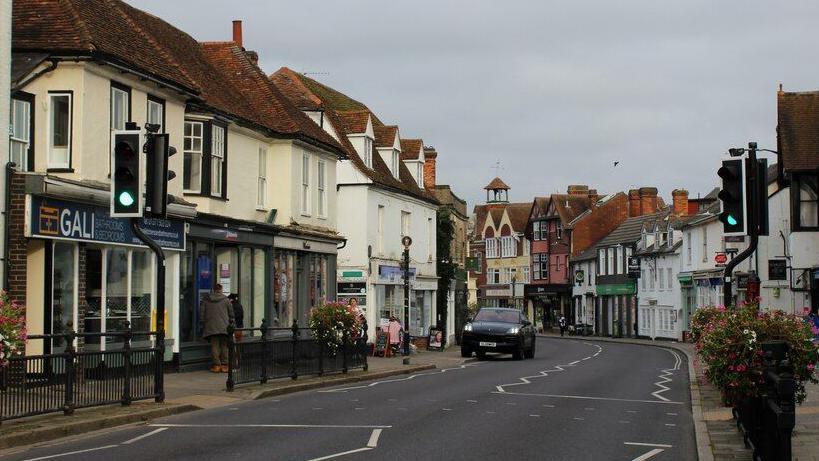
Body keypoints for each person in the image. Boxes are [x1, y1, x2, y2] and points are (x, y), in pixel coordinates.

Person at [200, 284, 234, 373]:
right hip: (224, 327)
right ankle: (225, 365)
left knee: (214, 346)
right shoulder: (226, 300)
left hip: (211, 326)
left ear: (213, 290)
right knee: (224, 346)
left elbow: (202, 314)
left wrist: (203, 323)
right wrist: (231, 323)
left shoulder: (206, 300)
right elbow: (231, 314)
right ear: (221, 290)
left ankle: (216, 365)